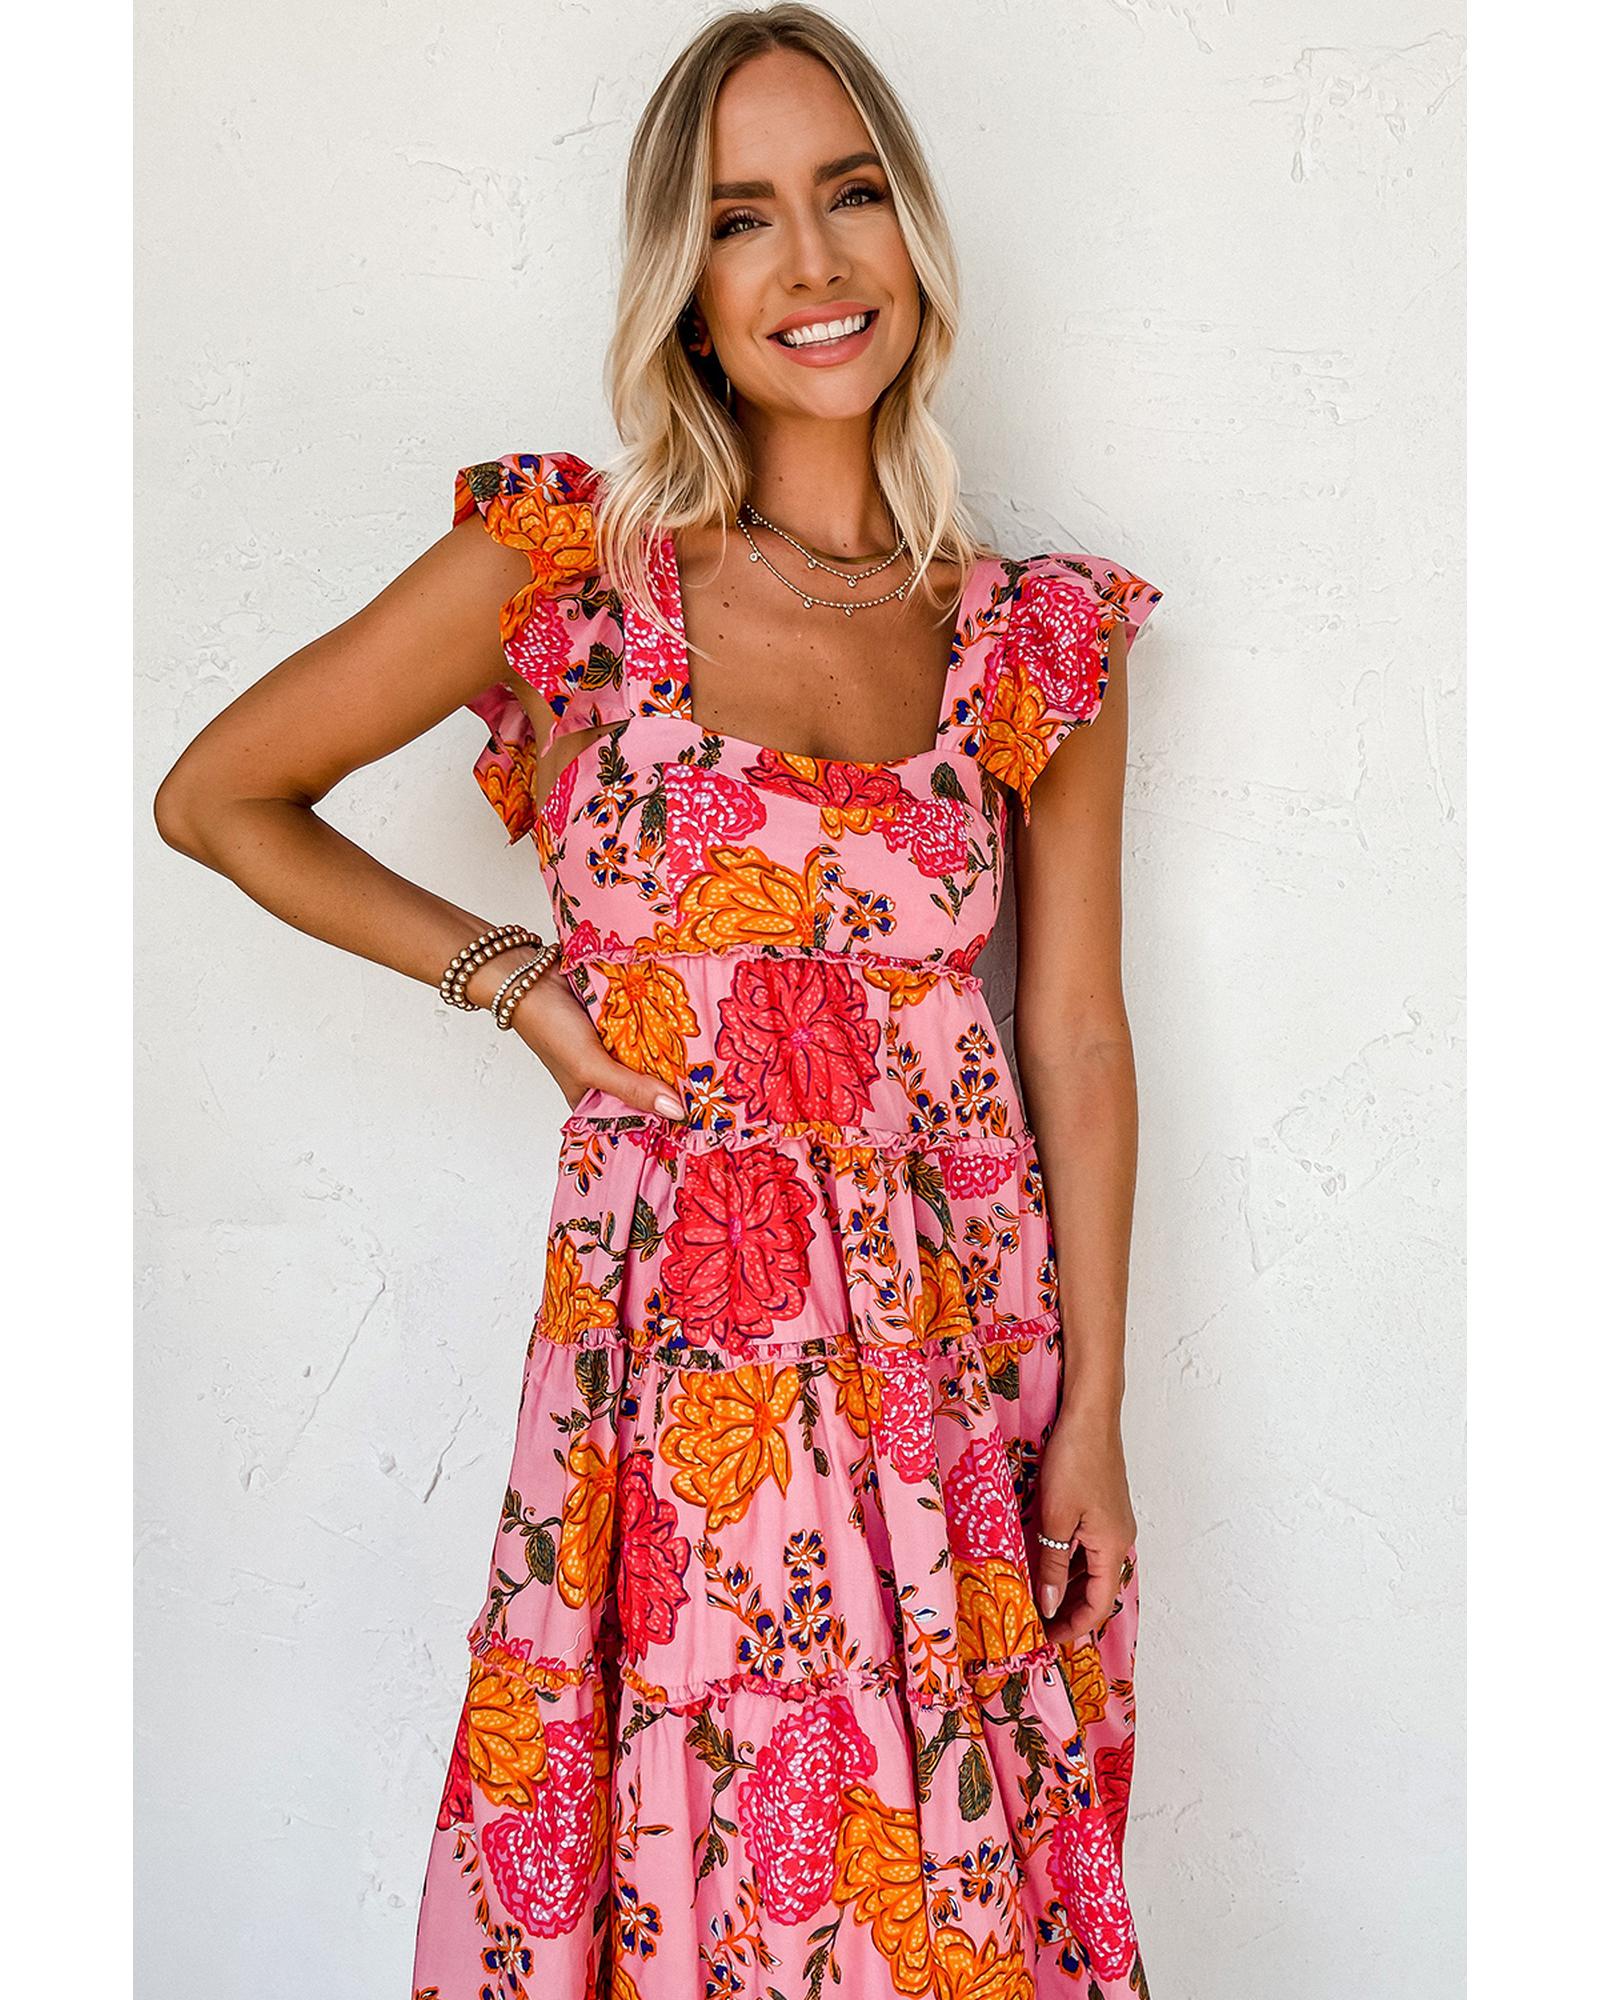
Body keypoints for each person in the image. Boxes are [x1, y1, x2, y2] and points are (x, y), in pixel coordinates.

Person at [153, 7, 1164, 1994]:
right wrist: (513, 981)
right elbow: (219, 798)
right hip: (671, 1371)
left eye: (850, 196)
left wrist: (1099, 1422)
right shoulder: (561, 577)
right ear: (682, 284)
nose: (812, 263)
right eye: (740, 218)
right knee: (685, 1870)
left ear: (915, 233)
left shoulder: (1030, 640)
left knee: (945, 1903)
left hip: (948, 1366)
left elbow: (1072, 1033)